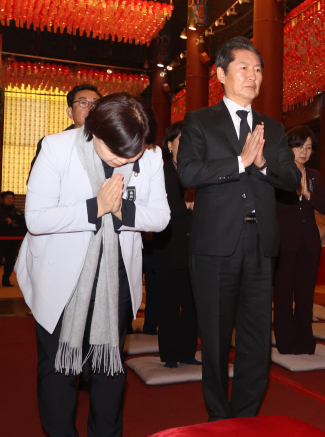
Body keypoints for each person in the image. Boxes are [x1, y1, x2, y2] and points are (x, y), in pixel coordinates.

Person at [16, 92, 170, 436]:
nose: (125, 161)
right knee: (57, 372)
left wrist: (121, 211)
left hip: (114, 278)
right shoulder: (57, 148)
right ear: (95, 132)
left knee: (109, 370)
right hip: (60, 276)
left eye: (134, 154)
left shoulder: (151, 156)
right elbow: (37, 219)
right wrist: (94, 207)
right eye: (117, 154)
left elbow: (160, 217)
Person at [177, 37, 301, 421]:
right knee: (214, 338)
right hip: (216, 245)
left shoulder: (273, 127)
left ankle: (245, 416)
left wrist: (262, 165)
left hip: (261, 243)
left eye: (258, 69)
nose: (253, 76)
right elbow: (187, 173)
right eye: (244, 68)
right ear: (220, 74)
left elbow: (291, 177)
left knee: (256, 338)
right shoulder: (200, 121)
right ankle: (218, 417)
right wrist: (239, 162)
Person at [273, 126, 325, 355]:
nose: (304, 152)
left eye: (308, 148)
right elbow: (273, 208)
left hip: (309, 245)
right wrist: (295, 193)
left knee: (306, 297)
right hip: (284, 244)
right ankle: (286, 343)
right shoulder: (278, 173)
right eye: (299, 147)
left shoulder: (315, 175)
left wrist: (308, 194)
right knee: (283, 295)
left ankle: (305, 342)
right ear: (289, 149)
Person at [153, 121, 200, 367]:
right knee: (170, 305)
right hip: (169, 248)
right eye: (183, 140)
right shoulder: (164, 172)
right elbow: (168, 210)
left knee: (192, 304)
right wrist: (191, 207)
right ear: (170, 144)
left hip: (192, 250)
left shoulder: (194, 170)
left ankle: (187, 352)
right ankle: (170, 355)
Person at [29, 84, 102, 177]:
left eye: (96, 104)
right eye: (83, 103)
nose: (91, 107)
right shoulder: (53, 144)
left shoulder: (112, 142)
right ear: (70, 112)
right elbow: (38, 180)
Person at [0, 191, 27, 286]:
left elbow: (24, 225)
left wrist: (14, 223)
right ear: (2, 199)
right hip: (1, 241)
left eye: (11, 198)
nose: (9, 200)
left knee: (11, 261)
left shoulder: (18, 212)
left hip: (13, 241)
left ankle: (6, 280)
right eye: (7, 198)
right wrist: (4, 222)